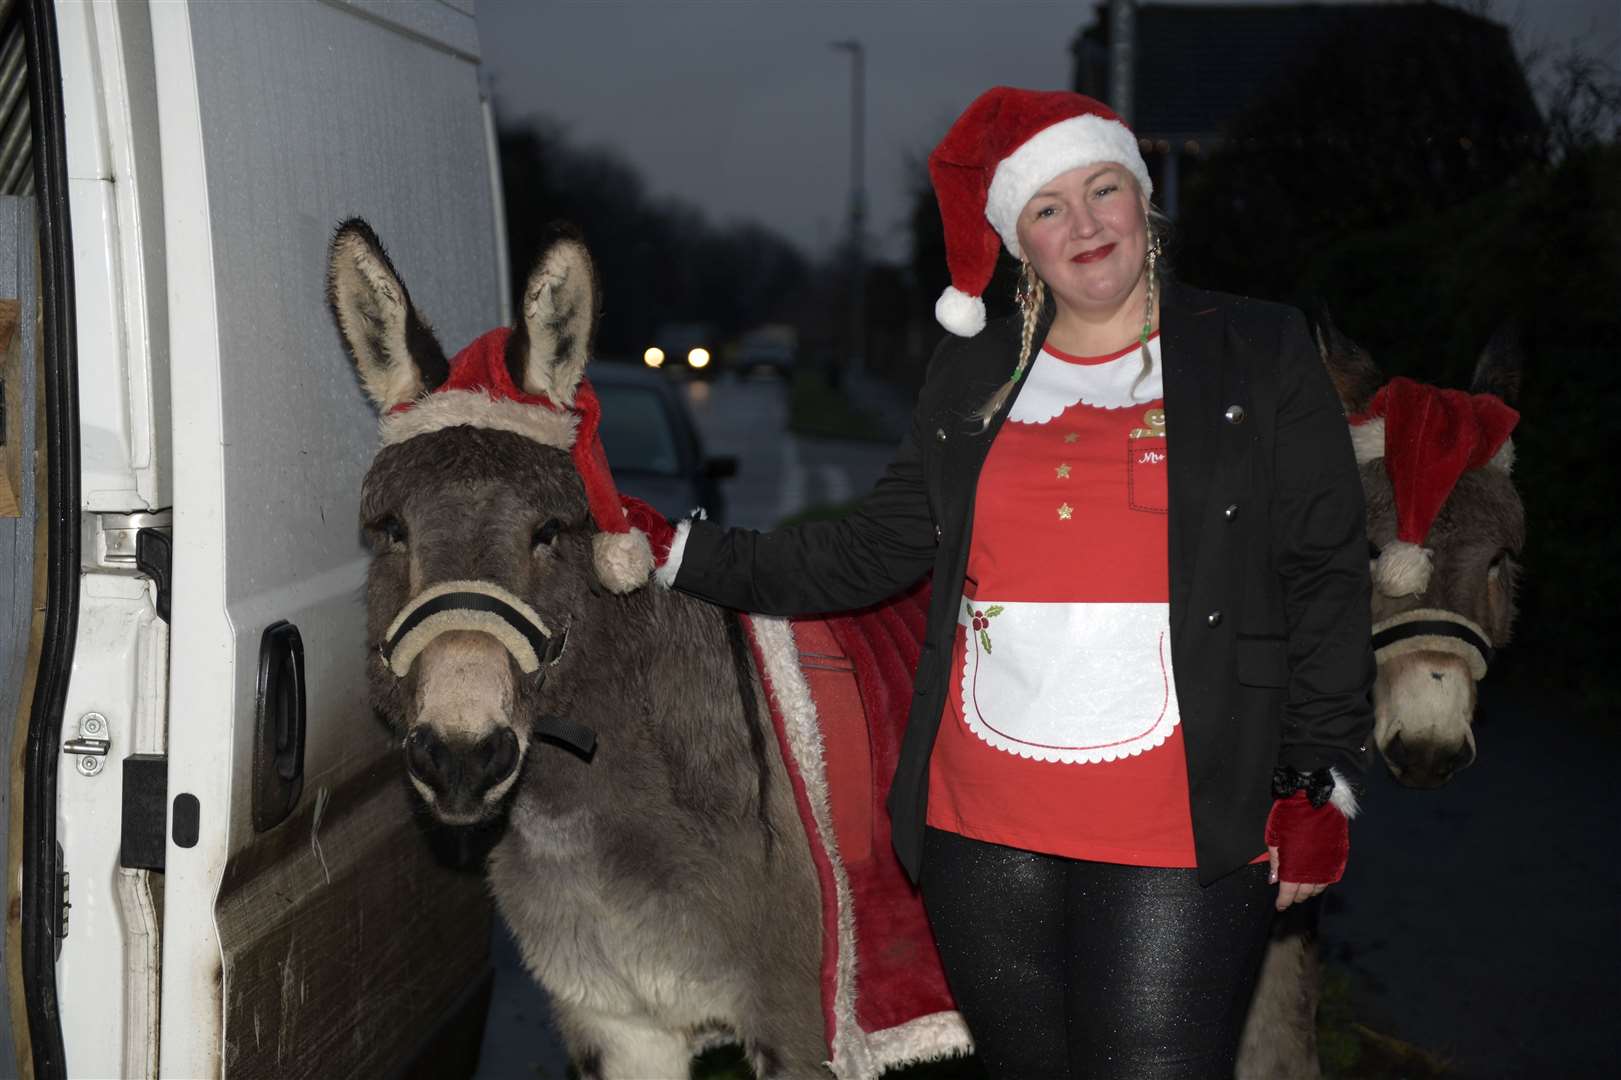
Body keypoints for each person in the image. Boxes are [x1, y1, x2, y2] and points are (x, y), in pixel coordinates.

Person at [658, 87, 1374, 1078]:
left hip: (1182, 822)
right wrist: (685, 554)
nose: (1083, 225)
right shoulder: (973, 370)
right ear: (1018, 239)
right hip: (979, 830)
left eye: (1103, 189)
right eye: (1048, 207)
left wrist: (1312, 777)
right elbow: (873, 549)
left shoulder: (1254, 348)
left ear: (1143, 200)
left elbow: (1324, 566)